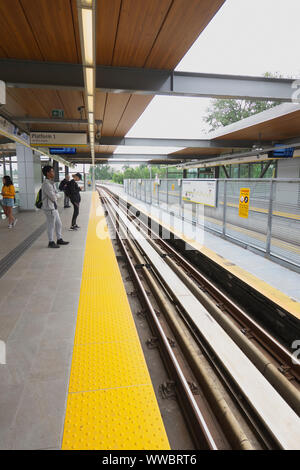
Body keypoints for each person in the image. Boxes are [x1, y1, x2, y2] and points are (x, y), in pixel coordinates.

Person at [41, 165, 69, 248]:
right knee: (51, 225)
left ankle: (59, 239)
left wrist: (56, 195)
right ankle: (51, 241)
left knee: (59, 224)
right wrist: (56, 195)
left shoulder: (51, 183)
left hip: (54, 207)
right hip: (49, 208)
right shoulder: (46, 184)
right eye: (52, 171)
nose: (53, 173)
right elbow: (54, 197)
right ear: (48, 173)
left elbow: (57, 194)